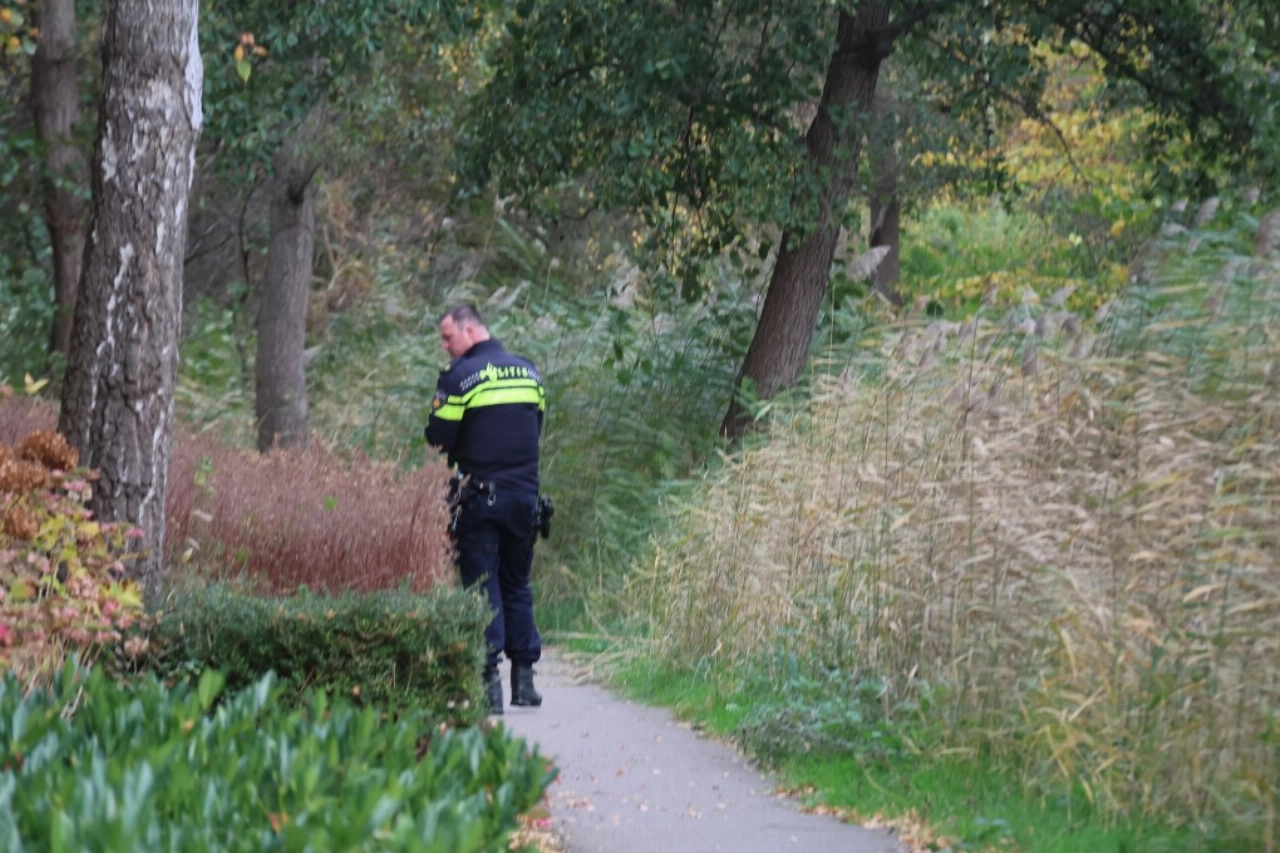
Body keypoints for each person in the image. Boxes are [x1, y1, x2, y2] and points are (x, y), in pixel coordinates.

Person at [425, 303, 545, 715]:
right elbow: (535, 428)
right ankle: (525, 683)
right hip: (525, 499)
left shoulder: (460, 377)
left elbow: (438, 439)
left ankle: (489, 685)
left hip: (478, 498)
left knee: (481, 588)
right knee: (517, 584)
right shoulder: (529, 372)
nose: (445, 347)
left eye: (448, 337)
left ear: (470, 330)